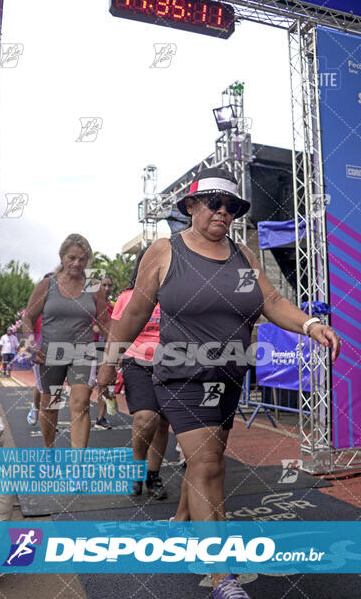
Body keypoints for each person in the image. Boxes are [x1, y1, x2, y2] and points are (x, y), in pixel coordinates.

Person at [97, 167, 341, 599]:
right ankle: (222, 578)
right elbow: (134, 313)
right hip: (181, 376)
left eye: (232, 206)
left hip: (229, 378)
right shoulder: (163, 251)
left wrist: (311, 325)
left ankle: (180, 525)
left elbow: (272, 302)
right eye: (215, 203)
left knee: (202, 461)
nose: (224, 213)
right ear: (191, 206)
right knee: (210, 465)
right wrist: (108, 364)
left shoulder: (243, 256)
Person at [22, 234, 110, 448]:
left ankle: (76, 468)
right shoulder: (47, 285)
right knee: (51, 406)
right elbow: (28, 318)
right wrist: (30, 343)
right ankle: (50, 451)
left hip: (82, 354)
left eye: (82, 259)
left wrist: (116, 353)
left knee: (80, 404)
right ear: (62, 257)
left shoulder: (93, 287)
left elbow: (105, 323)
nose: (77, 263)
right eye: (72, 258)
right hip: (50, 354)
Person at [111, 249, 169, 500]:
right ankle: (137, 471)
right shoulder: (126, 297)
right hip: (137, 361)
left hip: (171, 362)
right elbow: (116, 334)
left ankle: (154, 474)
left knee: (163, 422)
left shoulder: (173, 295)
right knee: (146, 418)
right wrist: (111, 365)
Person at [27, 273, 54, 426]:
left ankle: (52, 418)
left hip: (60, 351)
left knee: (55, 388)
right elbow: (27, 325)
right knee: (42, 386)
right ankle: (36, 407)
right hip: (40, 350)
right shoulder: (35, 308)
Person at [93, 275, 115, 430]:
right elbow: (92, 327)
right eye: (104, 285)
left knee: (103, 382)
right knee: (83, 386)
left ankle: (100, 418)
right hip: (88, 346)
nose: (107, 288)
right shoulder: (90, 305)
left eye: (109, 285)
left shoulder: (113, 307)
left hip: (105, 347)